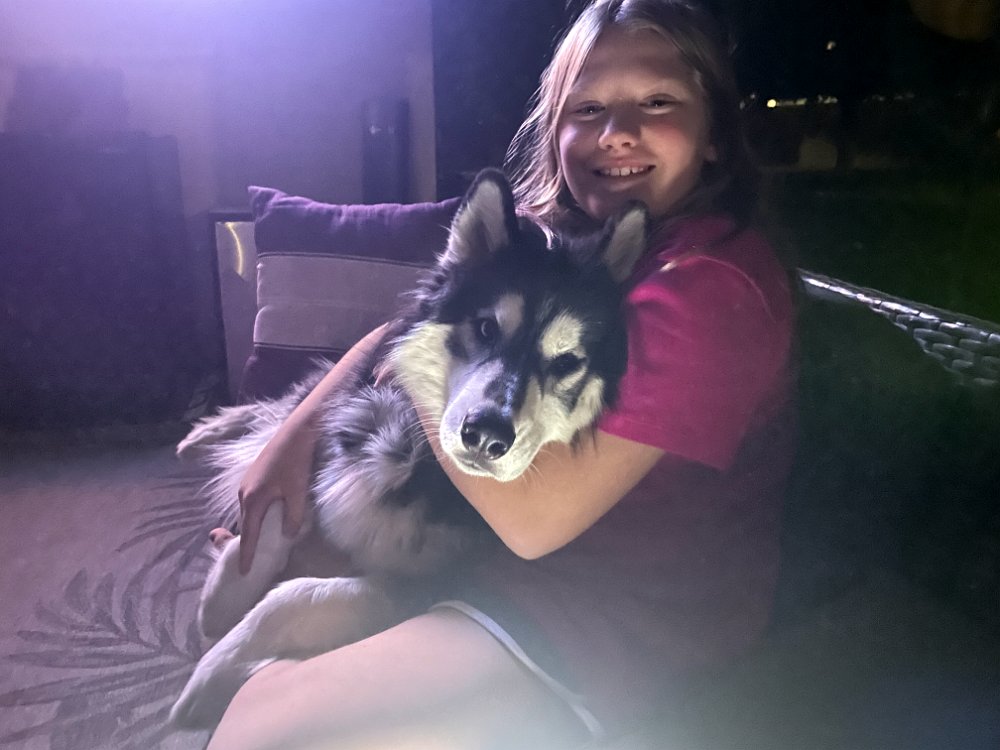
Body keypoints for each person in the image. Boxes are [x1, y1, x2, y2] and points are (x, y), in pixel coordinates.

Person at [206, 1, 795, 748]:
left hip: (619, 617)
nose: (618, 132)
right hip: (513, 570)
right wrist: (293, 436)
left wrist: (435, 352)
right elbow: (411, 330)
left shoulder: (707, 288)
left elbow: (531, 518)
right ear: (555, 129)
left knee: (273, 732)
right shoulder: (590, 244)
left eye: (658, 102)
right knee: (257, 697)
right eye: (588, 108)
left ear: (714, 135)